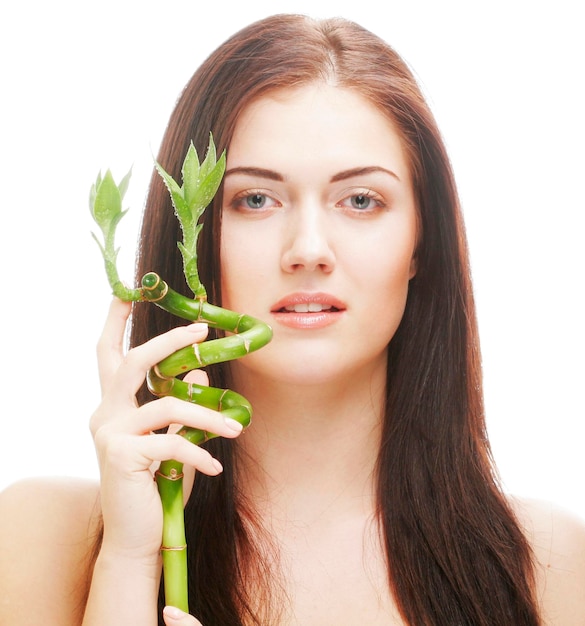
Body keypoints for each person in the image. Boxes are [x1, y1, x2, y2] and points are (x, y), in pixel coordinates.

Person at [0, 13, 583, 626]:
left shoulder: (551, 567)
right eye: (256, 200)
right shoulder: (39, 541)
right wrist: (129, 560)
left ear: (421, 242)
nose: (308, 249)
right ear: (191, 238)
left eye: (361, 200)